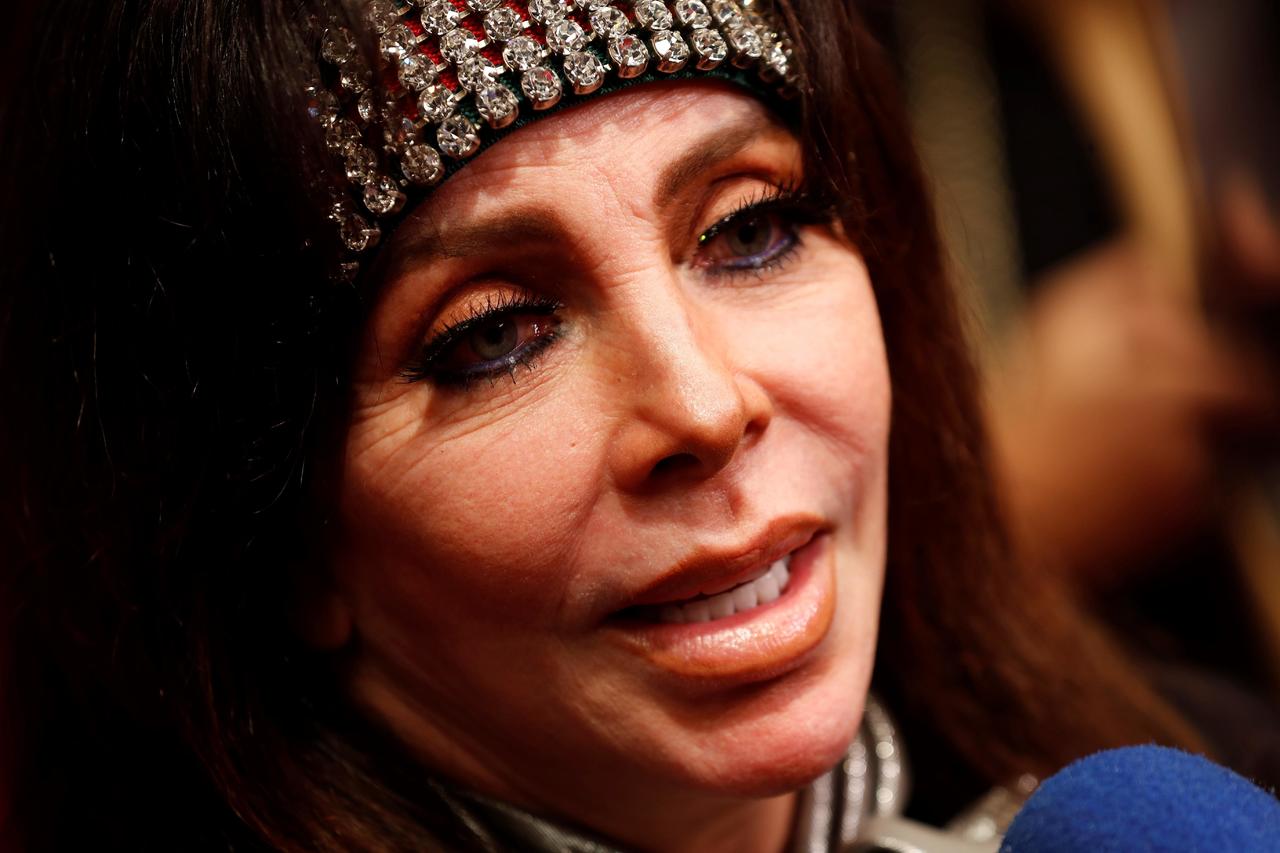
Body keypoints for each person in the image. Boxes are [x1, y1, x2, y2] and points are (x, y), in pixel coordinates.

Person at [0, 0, 1208, 850]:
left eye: (748, 231)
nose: (705, 406)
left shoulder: (1190, 780)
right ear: (279, 540)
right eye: (495, 334)